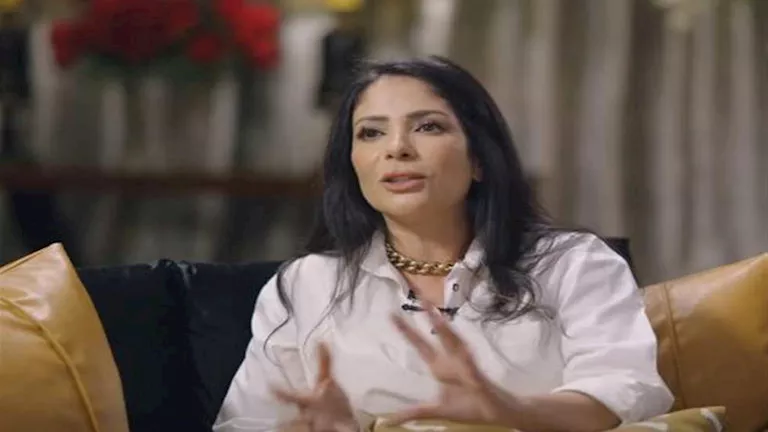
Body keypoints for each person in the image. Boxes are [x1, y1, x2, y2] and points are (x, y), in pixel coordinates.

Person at [213, 56, 673, 432]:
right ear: (352, 165)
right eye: (371, 132)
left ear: (480, 159)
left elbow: (625, 392)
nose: (397, 148)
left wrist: (510, 410)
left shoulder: (573, 264)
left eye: (428, 127)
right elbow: (246, 423)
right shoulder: (306, 285)